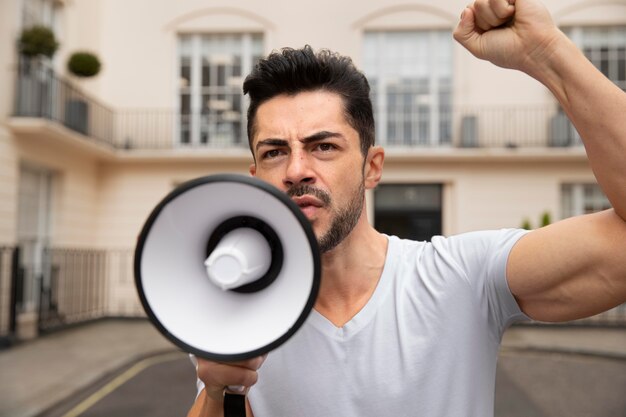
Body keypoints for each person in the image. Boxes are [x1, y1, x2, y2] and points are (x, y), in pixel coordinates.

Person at [187, 0, 626, 415]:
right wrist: (217, 389)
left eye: (323, 146)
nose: (297, 169)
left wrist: (546, 52)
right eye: (275, 152)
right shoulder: (238, 316)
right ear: (255, 179)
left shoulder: (460, 277)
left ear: (371, 167)